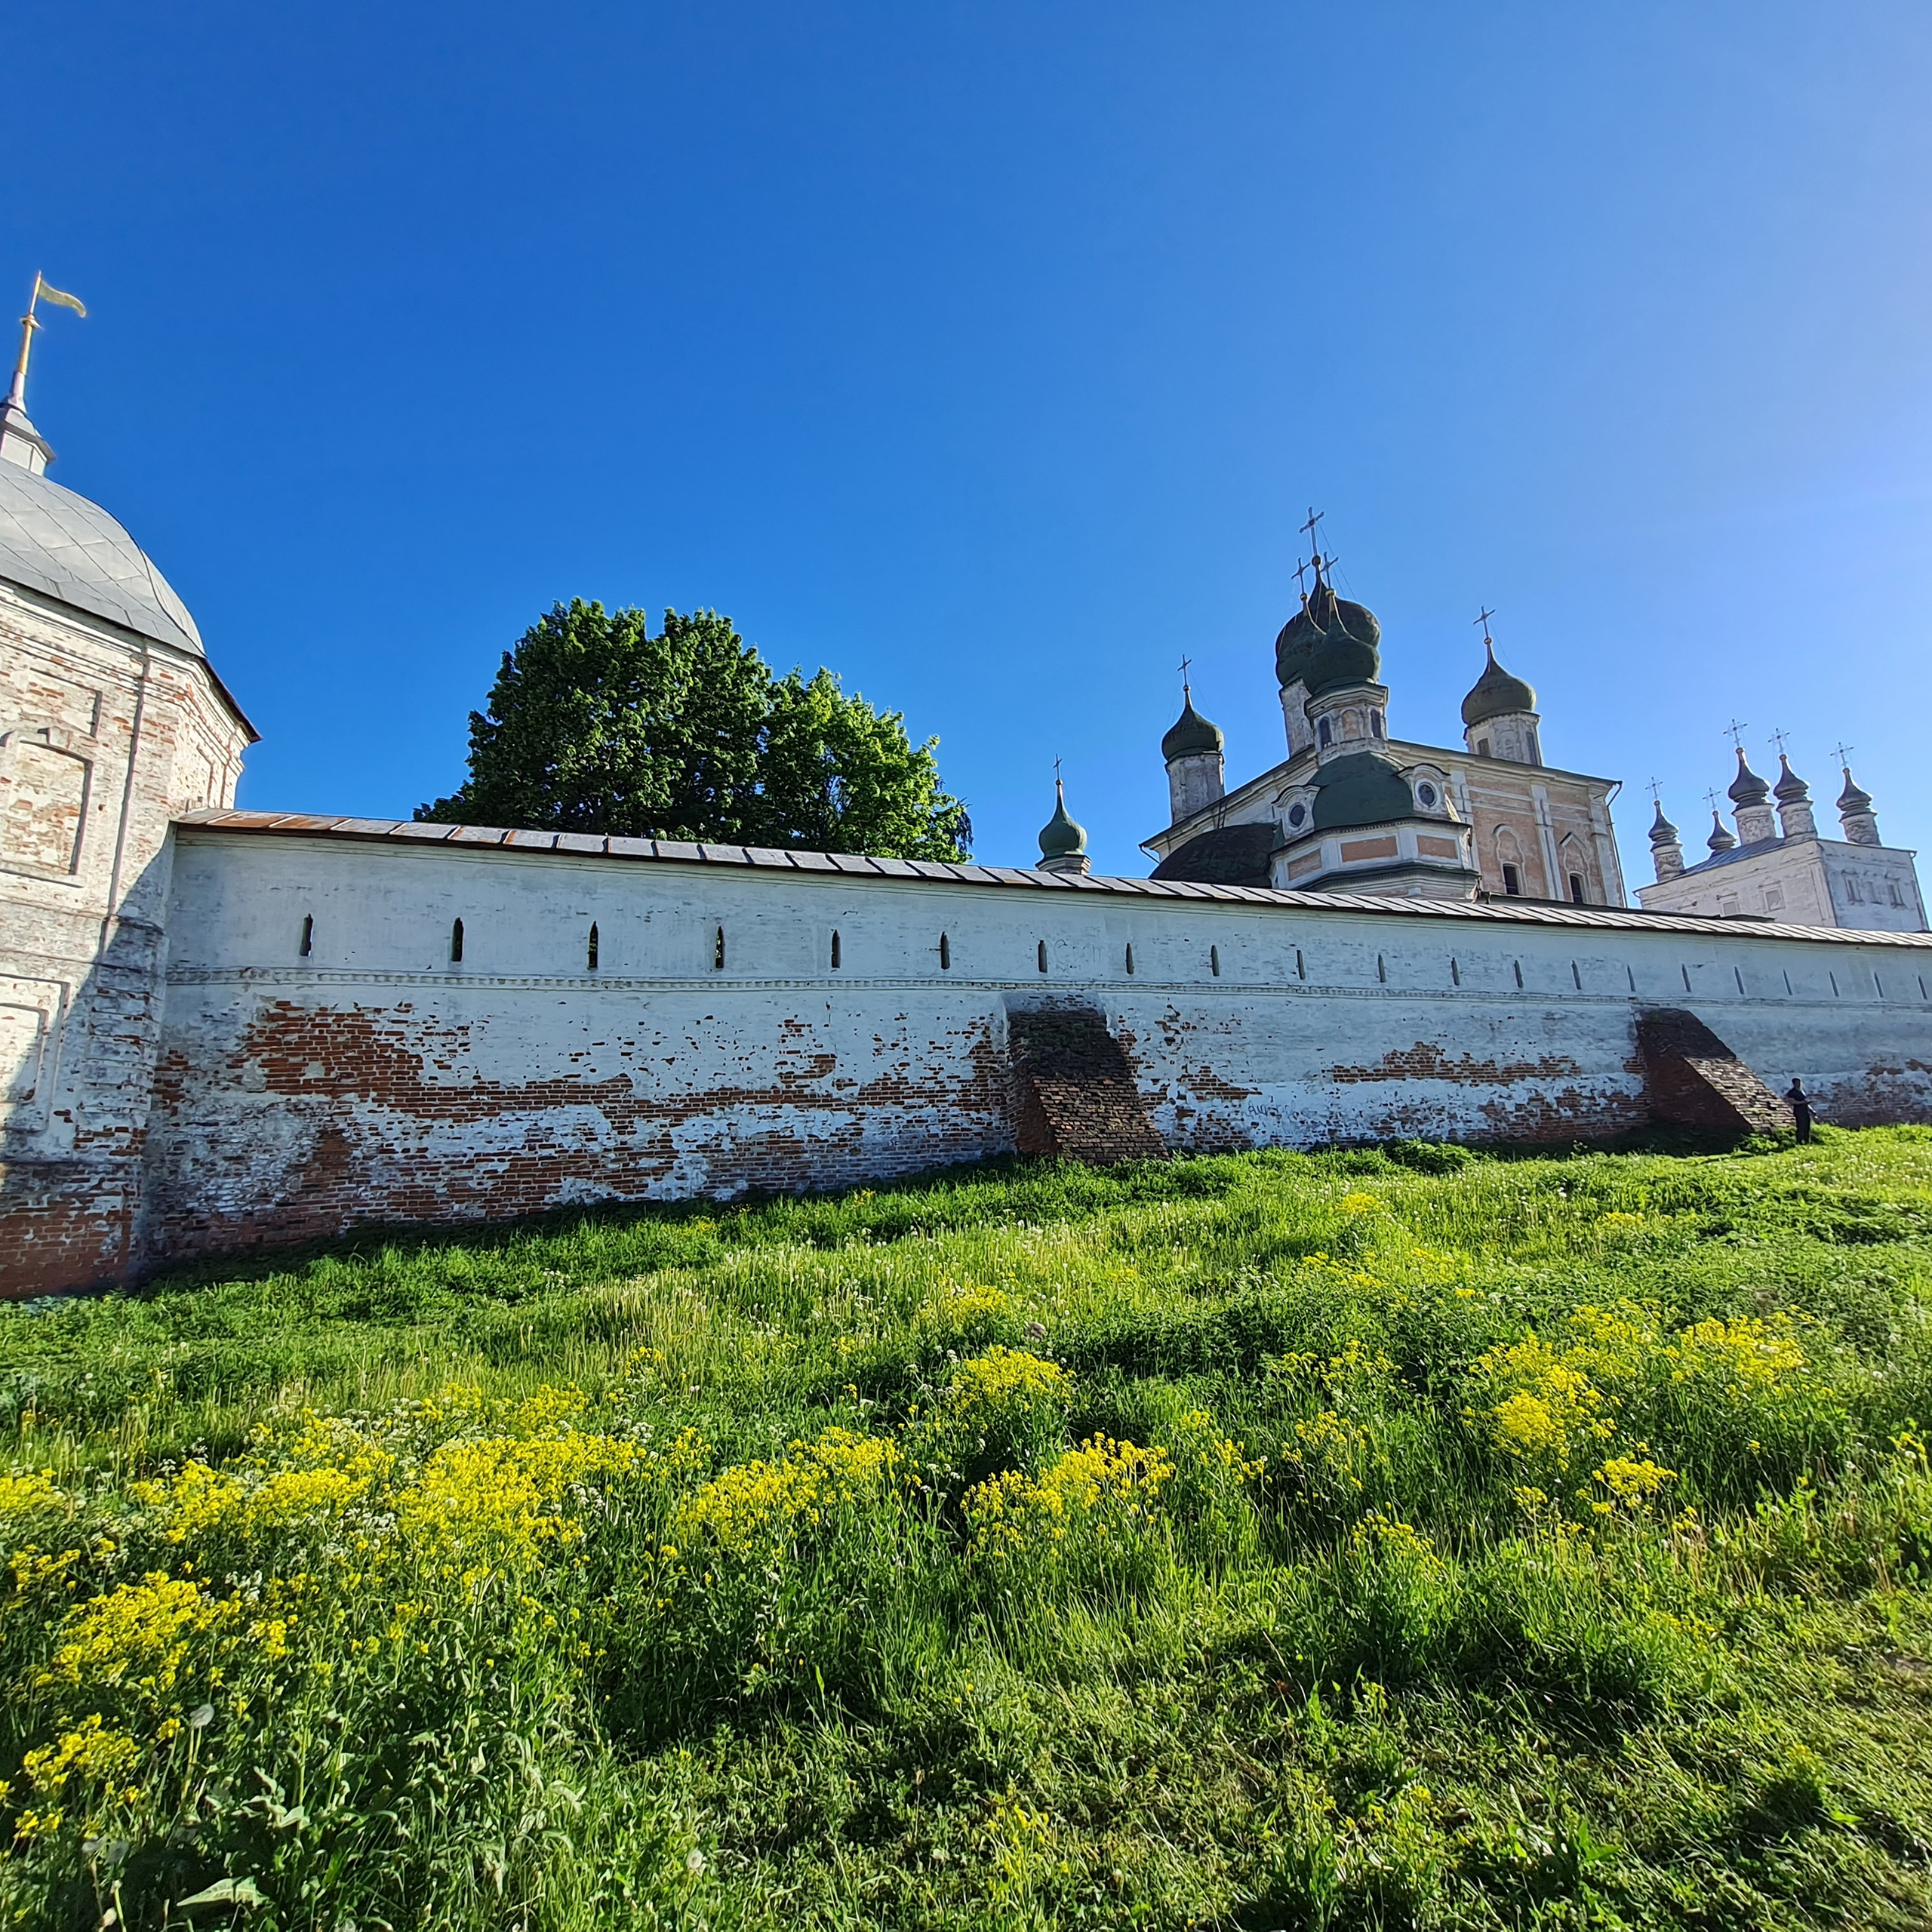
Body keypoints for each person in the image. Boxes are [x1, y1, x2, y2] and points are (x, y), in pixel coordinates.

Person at [1783, 1078, 1814, 1143]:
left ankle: (1807, 1141)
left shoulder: (1802, 1092)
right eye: (1797, 1083)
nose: (1799, 1084)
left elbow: (1806, 1102)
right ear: (1794, 1083)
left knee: (1807, 1126)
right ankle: (1799, 1141)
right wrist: (1802, 1102)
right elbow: (1792, 1101)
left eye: (1800, 1082)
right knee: (1801, 1126)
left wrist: (1811, 1110)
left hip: (1805, 1111)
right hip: (1799, 1111)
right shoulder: (1792, 1092)